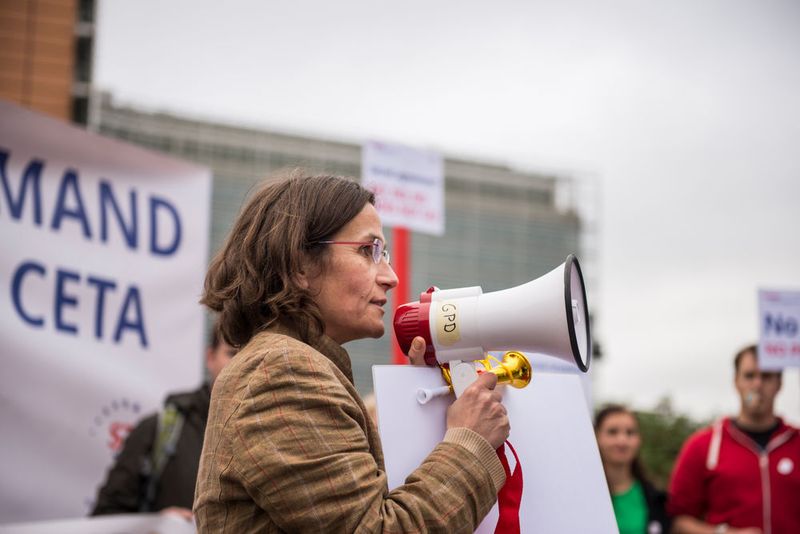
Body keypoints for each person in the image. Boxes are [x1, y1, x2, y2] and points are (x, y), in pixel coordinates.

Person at [194, 171, 510, 532]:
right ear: (299, 265)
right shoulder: (282, 372)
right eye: (368, 250)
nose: (390, 277)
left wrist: (423, 410)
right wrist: (470, 442)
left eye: (384, 253)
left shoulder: (285, 365)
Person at [91, 324, 236, 519]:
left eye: (251, 356)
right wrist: (157, 525)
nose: (242, 365)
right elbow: (105, 517)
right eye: (232, 353)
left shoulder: (270, 435)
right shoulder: (158, 428)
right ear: (210, 357)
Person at [668, 344, 800, 534]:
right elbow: (677, 520)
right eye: (749, 376)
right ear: (736, 381)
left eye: (766, 376)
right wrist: (722, 533)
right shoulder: (703, 446)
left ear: (779, 383)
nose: (757, 385)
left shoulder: (796, 442)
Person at [594, 404, 670, 534]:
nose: (622, 441)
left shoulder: (657, 499)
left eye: (630, 433)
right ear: (596, 436)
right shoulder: (582, 495)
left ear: (639, 439)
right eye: (612, 432)